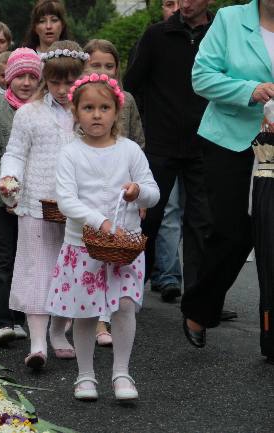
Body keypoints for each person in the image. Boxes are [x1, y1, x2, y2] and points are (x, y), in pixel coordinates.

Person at [46, 73, 159, 401]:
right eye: (89, 108)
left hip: (125, 246)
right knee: (86, 312)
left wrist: (138, 191)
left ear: (116, 112)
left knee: (124, 306)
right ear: (76, 112)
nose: (97, 114)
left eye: (104, 107)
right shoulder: (71, 153)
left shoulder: (130, 151)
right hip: (84, 246)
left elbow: (153, 192)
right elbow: (67, 200)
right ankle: (85, 376)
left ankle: (122, 372)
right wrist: (101, 223)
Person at [184, 0, 273, 362]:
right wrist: (249, 91)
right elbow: (201, 77)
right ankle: (200, 308)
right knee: (235, 231)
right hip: (230, 140)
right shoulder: (230, 18)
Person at [0, 41, 87, 369]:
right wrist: (10, 180)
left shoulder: (88, 110)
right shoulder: (28, 113)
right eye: (55, 82)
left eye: (69, 82)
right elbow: (15, 153)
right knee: (37, 269)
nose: (63, 90)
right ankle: (37, 342)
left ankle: (59, 332)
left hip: (78, 207)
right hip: (37, 202)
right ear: (44, 80)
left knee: (72, 273)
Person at [124, 0, 213, 303]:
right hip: (160, 144)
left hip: (205, 144)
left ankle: (199, 300)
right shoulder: (156, 35)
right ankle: (132, 288)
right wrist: (148, 123)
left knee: (202, 223)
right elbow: (131, 85)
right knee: (148, 218)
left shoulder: (218, 34)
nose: (185, 3)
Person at [83, 38, 145, 346]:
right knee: (91, 260)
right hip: (90, 192)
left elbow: (138, 142)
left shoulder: (128, 100)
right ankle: (89, 318)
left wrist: (142, 192)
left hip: (123, 194)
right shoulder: (80, 99)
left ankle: (107, 320)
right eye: (96, 65)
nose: (104, 70)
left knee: (116, 256)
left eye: (110, 66)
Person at [0, 48, 40, 346]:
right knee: (2, 259)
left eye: (32, 76)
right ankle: (1, 320)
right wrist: (8, 197)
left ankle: (20, 317)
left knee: (27, 259)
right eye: (21, 76)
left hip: (34, 202)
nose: (26, 83)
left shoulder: (42, 110)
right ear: (9, 78)